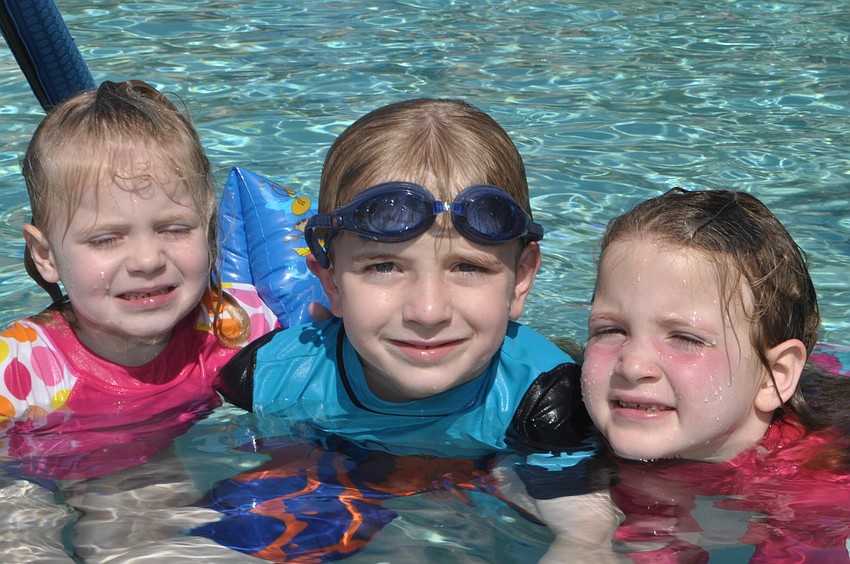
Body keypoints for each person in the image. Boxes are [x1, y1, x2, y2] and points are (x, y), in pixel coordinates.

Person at [218, 97, 593, 457]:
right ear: (331, 283)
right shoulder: (263, 380)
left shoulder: (549, 402)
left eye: (468, 267)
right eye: (384, 267)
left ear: (521, 279)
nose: (428, 312)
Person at [544, 187, 850, 561]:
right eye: (611, 330)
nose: (632, 365)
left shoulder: (816, 482)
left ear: (774, 375)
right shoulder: (556, 417)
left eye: (685, 338)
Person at [0, 80, 279, 480]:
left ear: (209, 229)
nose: (148, 260)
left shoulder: (237, 326)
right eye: (106, 238)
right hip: (47, 477)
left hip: (164, 469)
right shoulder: (22, 370)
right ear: (46, 257)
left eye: (174, 229)